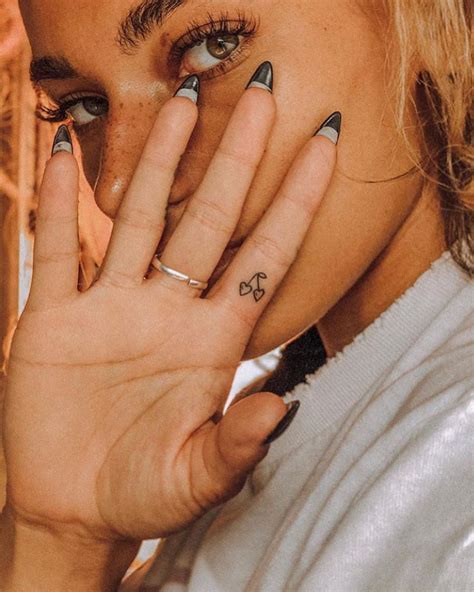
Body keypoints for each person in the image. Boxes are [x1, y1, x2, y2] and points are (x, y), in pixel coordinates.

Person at [0, 0, 472, 590]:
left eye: (213, 46)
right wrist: (60, 542)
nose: (115, 187)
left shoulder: (452, 471)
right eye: (83, 106)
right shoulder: (276, 431)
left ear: (428, 16)